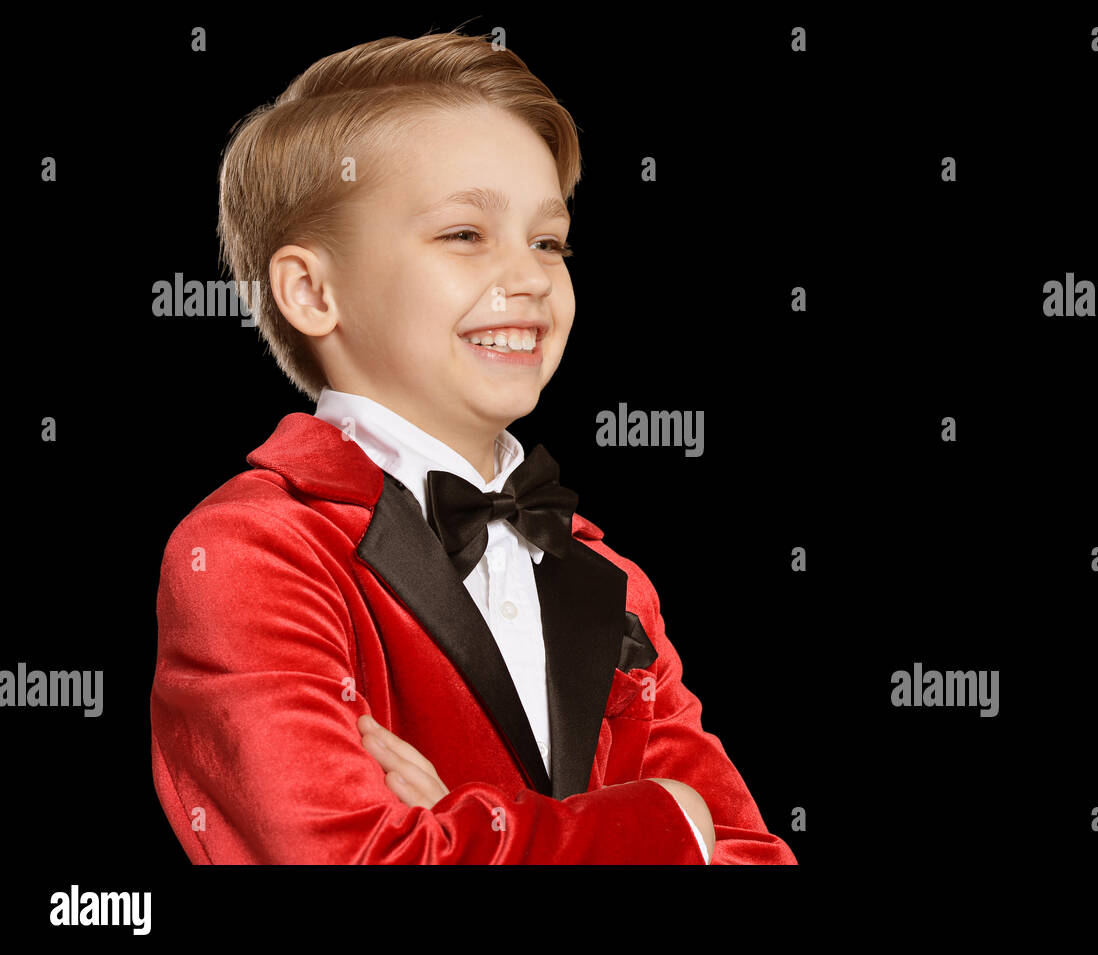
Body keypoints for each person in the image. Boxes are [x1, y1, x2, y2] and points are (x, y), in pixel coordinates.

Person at [150, 30, 797, 865]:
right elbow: (345, 859)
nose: (529, 277)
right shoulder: (250, 551)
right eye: (464, 235)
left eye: (548, 241)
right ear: (311, 290)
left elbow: (754, 857)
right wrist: (668, 821)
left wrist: (452, 819)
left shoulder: (612, 579)